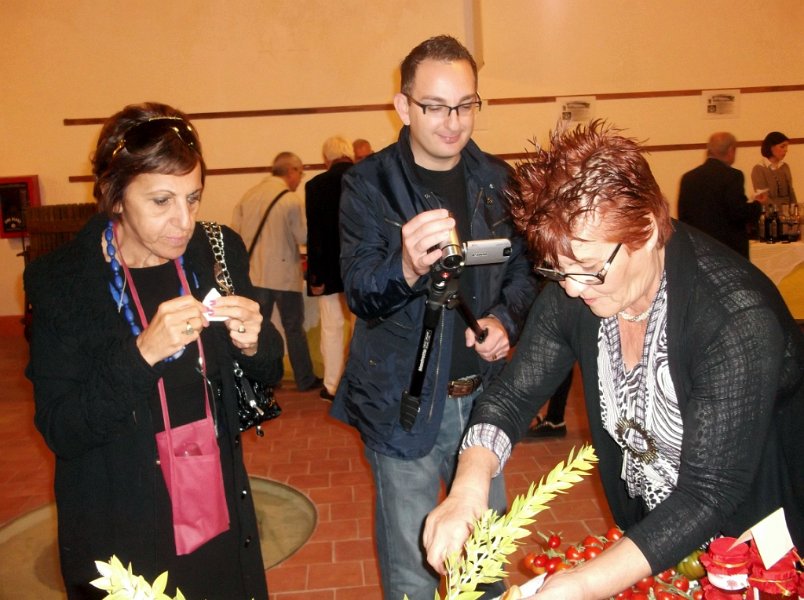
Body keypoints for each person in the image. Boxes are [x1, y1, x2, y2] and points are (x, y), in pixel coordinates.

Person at [423, 120, 803, 600]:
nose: (571, 289)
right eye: (557, 270)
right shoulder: (578, 284)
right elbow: (513, 396)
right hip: (653, 539)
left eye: (588, 269)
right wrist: (467, 486)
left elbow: (708, 493)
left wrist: (583, 584)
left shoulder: (733, 318)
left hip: (752, 548)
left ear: (647, 231)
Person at [24, 102, 283, 599]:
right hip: (123, 522)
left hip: (216, 505)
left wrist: (255, 341)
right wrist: (141, 353)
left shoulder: (216, 250)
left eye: (193, 198)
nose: (183, 221)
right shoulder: (62, 282)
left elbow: (267, 370)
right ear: (116, 196)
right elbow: (62, 429)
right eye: (162, 201)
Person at [330, 35, 537, 600]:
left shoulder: (498, 181)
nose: (454, 122)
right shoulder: (368, 184)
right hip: (403, 405)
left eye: (466, 105)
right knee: (413, 575)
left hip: (483, 400)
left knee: (486, 565)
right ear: (403, 106)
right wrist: (403, 265)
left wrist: (504, 321)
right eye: (436, 106)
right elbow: (360, 293)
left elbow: (524, 273)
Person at [232, 152, 322, 392]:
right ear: (291, 171)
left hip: (254, 274)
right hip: (283, 276)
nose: (300, 179)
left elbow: (235, 233)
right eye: (300, 173)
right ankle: (304, 379)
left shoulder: (249, 196)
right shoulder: (290, 200)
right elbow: (303, 236)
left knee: (257, 328)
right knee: (293, 328)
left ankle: (265, 378)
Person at [305, 136, 354, 401]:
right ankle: (359, 385)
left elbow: (315, 236)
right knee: (362, 328)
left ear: (327, 159)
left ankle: (333, 386)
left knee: (332, 328)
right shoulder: (366, 178)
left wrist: (314, 276)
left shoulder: (316, 186)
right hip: (361, 267)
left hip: (329, 269)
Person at [678, 132, 765, 258]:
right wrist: (757, 204)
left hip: (699, 250)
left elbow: (683, 218)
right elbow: (738, 212)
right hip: (729, 250)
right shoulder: (733, 176)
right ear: (731, 150)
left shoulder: (688, 178)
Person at [751, 131, 797, 211]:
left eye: (786, 146)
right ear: (771, 147)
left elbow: (791, 192)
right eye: (782, 146)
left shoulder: (785, 166)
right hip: (770, 212)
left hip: (788, 212)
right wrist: (778, 212)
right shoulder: (759, 169)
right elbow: (763, 197)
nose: (786, 150)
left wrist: (794, 209)